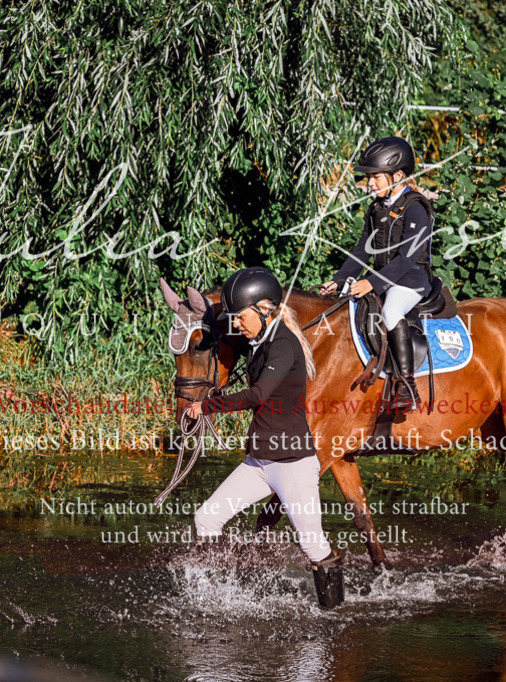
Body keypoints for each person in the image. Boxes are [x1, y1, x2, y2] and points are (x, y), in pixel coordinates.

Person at [184, 266, 344, 609]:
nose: (237, 325)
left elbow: (257, 395)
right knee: (206, 518)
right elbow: (220, 332)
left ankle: (335, 616)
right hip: (259, 462)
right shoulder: (257, 338)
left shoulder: (283, 345)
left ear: (264, 309)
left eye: (240, 317)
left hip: (292, 464)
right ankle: (212, 601)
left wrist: (207, 407)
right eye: (235, 319)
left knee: (313, 546)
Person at [319, 136, 435, 413]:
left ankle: (407, 387)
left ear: (397, 176)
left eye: (376, 178)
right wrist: (339, 280)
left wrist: (371, 282)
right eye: (369, 177)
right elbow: (362, 250)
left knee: (391, 313)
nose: (369, 183)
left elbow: (407, 258)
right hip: (384, 278)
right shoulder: (377, 207)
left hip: (411, 280)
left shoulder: (416, 208)